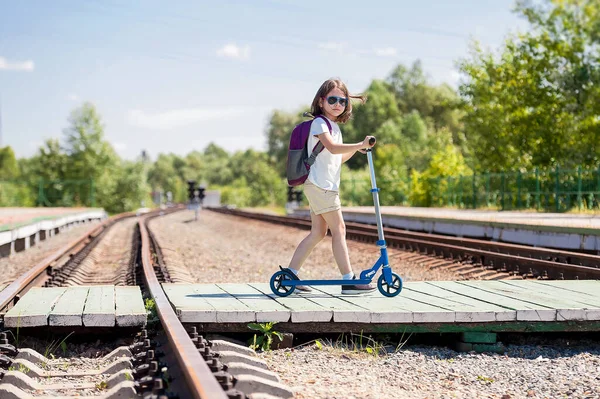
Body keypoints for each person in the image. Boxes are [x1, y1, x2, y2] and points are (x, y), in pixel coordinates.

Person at [281, 78, 376, 295]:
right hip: (320, 185)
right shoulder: (320, 123)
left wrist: (358, 149)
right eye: (332, 99)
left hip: (323, 185)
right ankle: (348, 280)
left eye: (342, 101)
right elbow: (333, 149)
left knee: (318, 232)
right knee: (339, 229)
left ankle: (291, 274)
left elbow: (338, 158)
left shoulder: (334, 128)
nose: (337, 104)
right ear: (321, 101)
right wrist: (358, 144)